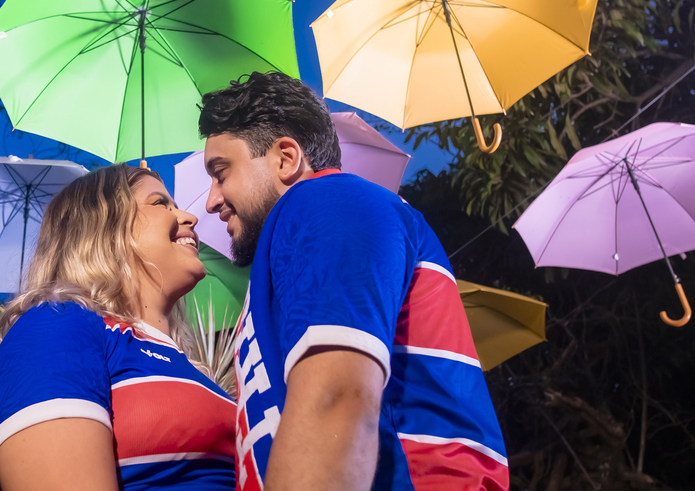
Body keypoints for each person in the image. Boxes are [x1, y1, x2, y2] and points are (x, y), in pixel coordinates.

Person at [200, 72, 509, 491]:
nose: (211, 200)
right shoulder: (300, 230)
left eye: (221, 172)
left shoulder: (326, 202)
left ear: (285, 159)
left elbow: (336, 401)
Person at [0, 164, 236, 491]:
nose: (190, 217)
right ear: (102, 227)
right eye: (161, 203)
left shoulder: (189, 367)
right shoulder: (55, 328)